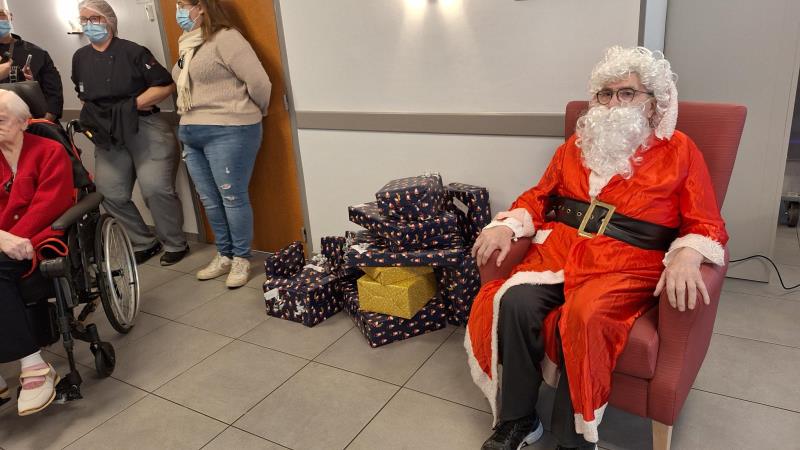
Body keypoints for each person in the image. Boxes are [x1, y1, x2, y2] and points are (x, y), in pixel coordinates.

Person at [467, 46, 728, 450]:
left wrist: (688, 255)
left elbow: (705, 222)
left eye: (627, 93)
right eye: (605, 94)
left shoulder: (680, 150)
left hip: (627, 262)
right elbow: (540, 195)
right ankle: (519, 419)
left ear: (652, 102)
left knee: (585, 315)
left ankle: (572, 439)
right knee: (515, 301)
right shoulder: (576, 145)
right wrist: (506, 225)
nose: (613, 104)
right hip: (562, 250)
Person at [72, 0, 189, 266]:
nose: (88, 24)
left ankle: (175, 243)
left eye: (94, 19)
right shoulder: (80, 58)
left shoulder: (133, 52)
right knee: (109, 192)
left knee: (155, 189)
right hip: (108, 133)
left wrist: (131, 105)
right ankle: (144, 241)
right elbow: (82, 93)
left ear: (109, 21)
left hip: (143, 126)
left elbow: (165, 86)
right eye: (84, 20)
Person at [171, 0, 270, 288]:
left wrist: (253, 112)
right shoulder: (188, 43)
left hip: (230, 129)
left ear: (201, 7)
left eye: (183, 5)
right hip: (191, 131)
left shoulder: (227, 38)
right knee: (210, 200)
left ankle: (241, 258)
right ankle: (224, 254)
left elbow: (260, 82)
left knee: (232, 197)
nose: (179, 11)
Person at [0, 90, 74, 416]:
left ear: (23, 122)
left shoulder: (49, 151)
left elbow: (51, 204)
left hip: (38, 240)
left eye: (0, 120)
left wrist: (13, 238)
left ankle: (34, 366)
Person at [0, 3, 64, 122]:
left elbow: (54, 95)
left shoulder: (37, 53)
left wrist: (44, 122)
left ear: (10, 16)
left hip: (33, 122)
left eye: (1, 15)